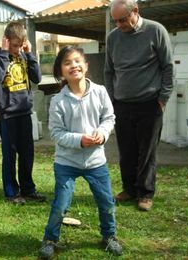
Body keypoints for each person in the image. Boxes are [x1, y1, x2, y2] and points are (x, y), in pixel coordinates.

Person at [39, 46, 122, 258]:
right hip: (66, 163)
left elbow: (109, 118)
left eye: (77, 61)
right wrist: (80, 141)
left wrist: (102, 134)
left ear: (86, 65)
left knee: (106, 203)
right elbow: (57, 133)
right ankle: (50, 239)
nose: (73, 65)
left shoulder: (101, 92)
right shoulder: (58, 100)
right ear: (61, 71)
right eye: (67, 63)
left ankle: (109, 236)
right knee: (61, 204)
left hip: (96, 162)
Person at [104, 0, 173, 211]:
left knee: (147, 152)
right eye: (115, 21)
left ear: (136, 11)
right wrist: (111, 99)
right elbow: (109, 71)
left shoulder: (156, 31)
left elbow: (167, 66)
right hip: (122, 104)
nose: (119, 25)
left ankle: (145, 193)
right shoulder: (113, 37)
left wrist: (163, 98)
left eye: (122, 20)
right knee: (126, 151)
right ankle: (129, 189)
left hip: (150, 104)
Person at [0, 21, 45, 204]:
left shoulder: (24, 55)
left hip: (24, 112)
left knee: (27, 154)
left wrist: (29, 54)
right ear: (5, 41)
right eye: (14, 45)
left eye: (20, 45)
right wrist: (5, 53)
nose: (17, 49)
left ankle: (28, 189)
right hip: (7, 114)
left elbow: (37, 77)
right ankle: (11, 192)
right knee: (10, 155)